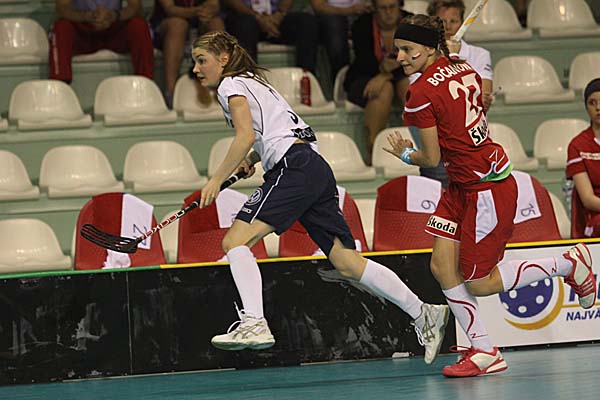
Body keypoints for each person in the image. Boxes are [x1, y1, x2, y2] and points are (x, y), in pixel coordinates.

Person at [190, 30, 449, 364]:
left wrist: (215, 180)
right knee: (346, 261)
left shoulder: (229, 85)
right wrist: (254, 159)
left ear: (223, 59)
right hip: (313, 167)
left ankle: (254, 322)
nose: (196, 69)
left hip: (294, 168)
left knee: (234, 241)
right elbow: (275, 132)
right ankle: (423, 312)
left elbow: (245, 135)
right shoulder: (254, 82)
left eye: (202, 60)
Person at [387, 15, 597, 377]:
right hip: (461, 185)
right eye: (397, 50)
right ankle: (484, 350)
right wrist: (447, 59)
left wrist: (405, 153)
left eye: (407, 49)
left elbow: (431, 159)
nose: (400, 57)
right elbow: (473, 102)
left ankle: (568, 264)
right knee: (441, 266)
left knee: (480, 282)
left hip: (486, 188)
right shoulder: (463, 66)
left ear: (429, 48)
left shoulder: (419, 95)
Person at [408, 0, 494, 187]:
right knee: (438, 193)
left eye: (454, 21)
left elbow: (482, 99)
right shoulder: (419, 57)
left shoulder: (480, 54)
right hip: (436, 140)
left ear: (462, 22)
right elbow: (423, 99)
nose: (448, 27)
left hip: (472, 140)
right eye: (442, 22)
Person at [343, 0, 412, 161]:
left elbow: (418, 60)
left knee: (408, 86)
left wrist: (387, 75)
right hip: (365, 77)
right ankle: (373, 151)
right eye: (383, 8)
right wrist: (384, 71)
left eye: (392, 7)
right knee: (383, 90)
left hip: (402, 76)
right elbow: (364, 62)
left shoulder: (412, 23)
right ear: (374, 9)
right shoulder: (362, 25)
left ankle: (421, 146)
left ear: (399, 5)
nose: (388, 12)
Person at [50, 0, 154, 83]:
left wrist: (113, 15)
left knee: (139, 26)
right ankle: (60, 85)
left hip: (114, 26)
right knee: (61, 28)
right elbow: (62, 7)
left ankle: (146, 82)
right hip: (83, 27)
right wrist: (87, 16)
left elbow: (135, 7)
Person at [149, 0, 224, 108]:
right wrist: (196, 11)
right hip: (168, 22)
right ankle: (171, 93)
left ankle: (219, 85)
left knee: (216, 23)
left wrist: (208, 10)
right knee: (178, 24)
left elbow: (214, 4)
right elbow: (170, 9)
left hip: (198, 21)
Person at [223, 0, 319, 74]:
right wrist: (258, 18)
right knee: (245, 24)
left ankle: (306, 78)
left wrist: (279, 15)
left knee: (307, 22)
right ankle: (248, 80)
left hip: (275, 18)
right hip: (245, 16)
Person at [567, 78, 600, 238]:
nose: (598, 107)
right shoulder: (577, 145)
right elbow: (587, 199)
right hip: (593, 219)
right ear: (586, 108)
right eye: (592, 103)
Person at [309, 0, 372, 82]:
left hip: (360, 13)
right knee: (335, 25)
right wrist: (350, 10)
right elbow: (319, 7)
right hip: (330, 16)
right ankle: (342, 81)